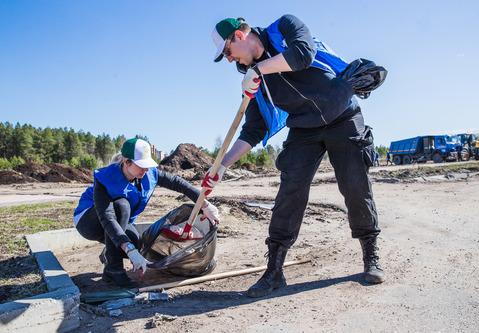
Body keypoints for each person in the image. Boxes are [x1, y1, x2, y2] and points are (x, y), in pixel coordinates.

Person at [205, 15, 385, 298]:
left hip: (342, 115)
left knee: (354, 185)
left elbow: (303, 54)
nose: (229, 60)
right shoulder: (253, 77)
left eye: (227, 52)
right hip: (304, 127)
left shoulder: (284, 28)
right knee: (290, 190)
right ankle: (275, 270)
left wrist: (259, 70)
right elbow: (254, 128)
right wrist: (222, 165)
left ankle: (370, 256)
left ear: (239, 36)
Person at [73, 138, 220, 288]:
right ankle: (114, 270)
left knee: (136, 241)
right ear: (126, 161)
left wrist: (205, 205)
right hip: (88, 221)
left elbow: (178, 183)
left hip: (115, 220)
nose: (145, 170)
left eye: (147, 165)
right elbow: (108, 218)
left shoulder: (148, 174)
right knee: (122, 206)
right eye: (141, 165)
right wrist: (129, 250)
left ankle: (109, 254)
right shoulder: (105, 179)